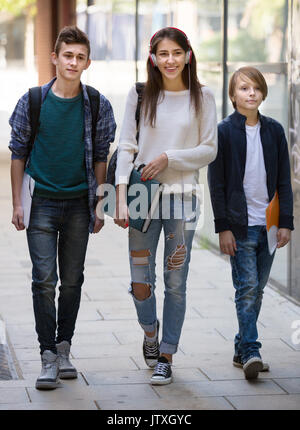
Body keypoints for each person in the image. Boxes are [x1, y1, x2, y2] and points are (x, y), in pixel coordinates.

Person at [9, 26, 116, 390]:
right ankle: (47, 356)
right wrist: (17, 204)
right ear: (55, 57)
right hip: (40, 204)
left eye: (80, 57)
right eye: (67, 55)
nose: (73, 62)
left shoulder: (98, 103)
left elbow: (102, 156)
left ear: (88, 62)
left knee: (71, 281)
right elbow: (18, 153)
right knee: (44, 281)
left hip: (78, 205)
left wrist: (102, 204)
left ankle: (64, 347)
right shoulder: (33, 100)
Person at [114, 27, 217, 385]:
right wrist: (120, 195)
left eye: (176, 53)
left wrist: (169, 157)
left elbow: (209, 148)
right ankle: (149, 333)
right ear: (152, 58)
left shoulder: (203, 96)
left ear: (187, 55)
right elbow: (126, 145)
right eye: (163, 54)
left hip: (182, 200)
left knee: (176, 281)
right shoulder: (140, 94)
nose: (170, 60)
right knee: (140, 281)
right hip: (142, 197)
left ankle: (167, 355)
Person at [208, 66, 294, 380]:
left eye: (256, 87)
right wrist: (223, 228)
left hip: (269, 225)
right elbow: (216, 184)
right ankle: (252, 350)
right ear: (233, 96)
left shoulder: (274, 131)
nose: (251, 93)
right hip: (240, 225)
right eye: (244, 88)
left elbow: (284, 180)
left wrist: (286, 222)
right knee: (246, 289)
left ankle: (240, 345)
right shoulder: (224, 131)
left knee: (256, 292)